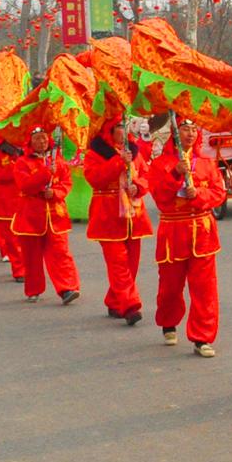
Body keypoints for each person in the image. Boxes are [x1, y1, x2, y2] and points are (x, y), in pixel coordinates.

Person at [148, 118, 227, 357]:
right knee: (170, 286)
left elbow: (219, 193)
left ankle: (202, 337)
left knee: (205, 289)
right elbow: (159, 196)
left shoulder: (206, 162)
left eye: (194, 129)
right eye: (185, 129)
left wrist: (199, 194)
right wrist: (175, 174)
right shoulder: (161, 163)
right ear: (175, 132)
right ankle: (168, 321)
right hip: (174, 231)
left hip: (202, 232)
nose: (191, 134)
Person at [83, 117, 153, 326]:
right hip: (108, 215)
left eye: (124, 126)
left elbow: (147, 176)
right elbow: (94, 178)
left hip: (133, 215)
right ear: (109, 130)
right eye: (119, 127)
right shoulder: (95, 153)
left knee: (131, 264)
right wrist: (118, 162)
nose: (123, 130)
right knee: (118, 263)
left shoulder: (134, 151)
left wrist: (138, 187)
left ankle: (114, 300)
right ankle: (130, 305)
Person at [11, 129, 81, 305]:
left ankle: (67, 288)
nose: (41, 142)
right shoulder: (22, 163)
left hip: (56, 216)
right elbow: (25, 185)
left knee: (61, 253)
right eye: (37, 139)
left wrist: (56, 192)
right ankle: (33, 289)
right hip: (30, 216)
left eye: (43, 138)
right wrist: (45, 174)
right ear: (30, 142)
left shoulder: (57, 161)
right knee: (31, 256)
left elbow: (66, 183)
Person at [0, 137, 27, 284]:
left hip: (26, 199)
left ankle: (30, 267)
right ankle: (19, 269)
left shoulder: (28, 148)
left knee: (27, 238)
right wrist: (15, 169)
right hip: (4, 201)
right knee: (11, 238)